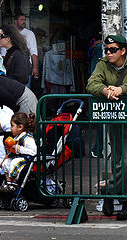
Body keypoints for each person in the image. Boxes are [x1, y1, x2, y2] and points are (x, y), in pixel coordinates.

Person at [86, 35, 127, 220]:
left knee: (126, 162)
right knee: (119, 161)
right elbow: (92, 83)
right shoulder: (103, 64)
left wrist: (121, 89)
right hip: (116, 119)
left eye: (113, 49)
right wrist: (105, 91)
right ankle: (121, 200)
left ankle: (108, 190)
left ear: (123, 50)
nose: (109, 53)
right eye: (107, 49)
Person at [0, 112, 37, 192]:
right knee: (6, 163)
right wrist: (9, 150)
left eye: (12, 125)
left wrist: (18, 148)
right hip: (18, 157)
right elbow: (12, 152)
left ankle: (14, 184)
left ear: (20, 127)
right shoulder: (16, 137)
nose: (10, 128)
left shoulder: (27, 138)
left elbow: (33, 151)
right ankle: (8, 183)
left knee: (14, 162)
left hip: (26, 159)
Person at [88, 36, 104, 158]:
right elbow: (93, 82)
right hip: (103, 93)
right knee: (103, 119)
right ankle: (98, 148)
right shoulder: (100, 48)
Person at [14, 12, 39, 88]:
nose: (24, 22)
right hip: (13, 67)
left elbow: (34, 51)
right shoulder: (11, 33)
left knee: (26, 90)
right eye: (21, 20)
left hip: (26, 66)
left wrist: (35, 67)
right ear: (15, 21)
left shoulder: (30, 33)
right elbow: (4, 52)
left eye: (25, 19)